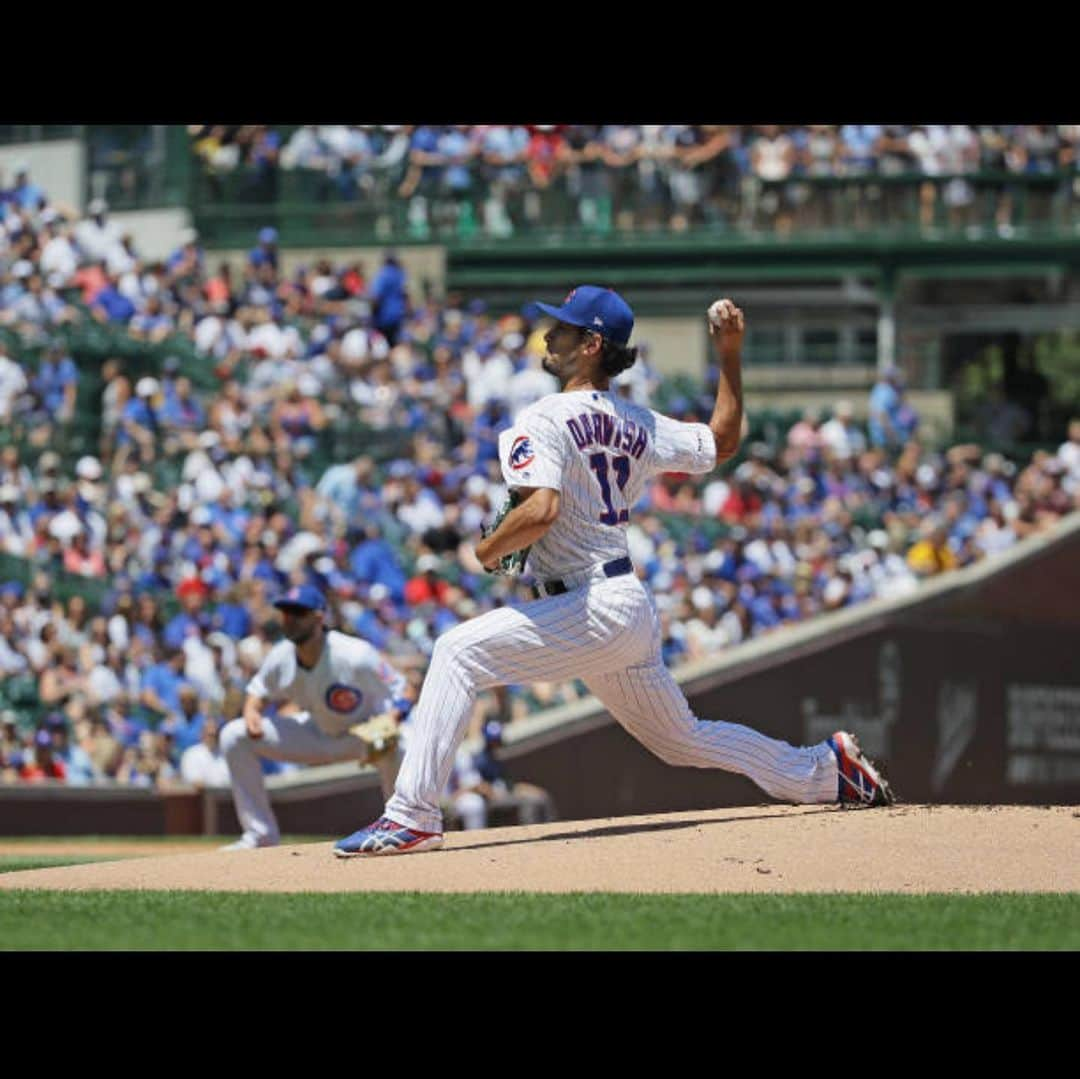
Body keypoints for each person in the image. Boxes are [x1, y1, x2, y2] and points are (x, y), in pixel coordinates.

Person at [334, 286, 894, 858]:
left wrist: (487, 549)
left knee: (457, 652)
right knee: (681, 738)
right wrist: (728, 355)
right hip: (620, 603)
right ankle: (826, 772)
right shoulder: (640, 422)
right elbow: (722, 443)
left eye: (564, 329)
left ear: (592, 344)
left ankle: (411, 815)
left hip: (590, 605)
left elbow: (542, 509)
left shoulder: (543, 416)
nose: (550, 336)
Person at [218, 584, 414, 850]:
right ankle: (260, 835)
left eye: (298, 612)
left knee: (401, 741)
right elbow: (258, 691)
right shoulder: (281, 656)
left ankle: (403, 825)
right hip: (316, 734)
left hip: (365, 735)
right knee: (234, 735)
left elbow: (404, 689)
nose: (289, 618)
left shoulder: (355, 654)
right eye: (286, 612)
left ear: (319, 617)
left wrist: (392, 718)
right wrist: (252, 710)